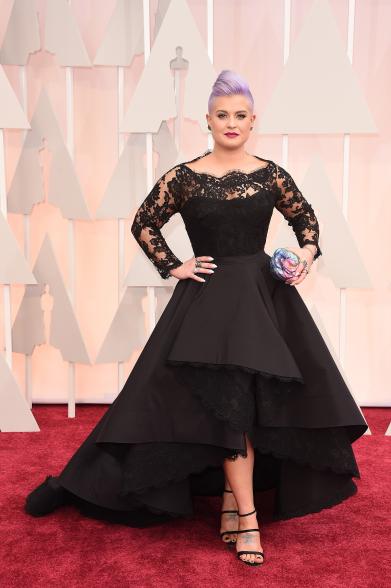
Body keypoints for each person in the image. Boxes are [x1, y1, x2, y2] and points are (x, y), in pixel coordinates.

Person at [25, 70, 368, 567]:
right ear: (207, 121)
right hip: (208, 304)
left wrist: (304, 257)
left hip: (262, 300)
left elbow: (307, 221)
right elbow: (144, 223)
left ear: (254, 122)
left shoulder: (271, 173)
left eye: (241, 116)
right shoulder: (184, 176)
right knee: (221, 405)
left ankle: (236, 504)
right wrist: (175, 266)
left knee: (250, 405)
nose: (232, 123)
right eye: (222, 115)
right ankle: (244, 516)